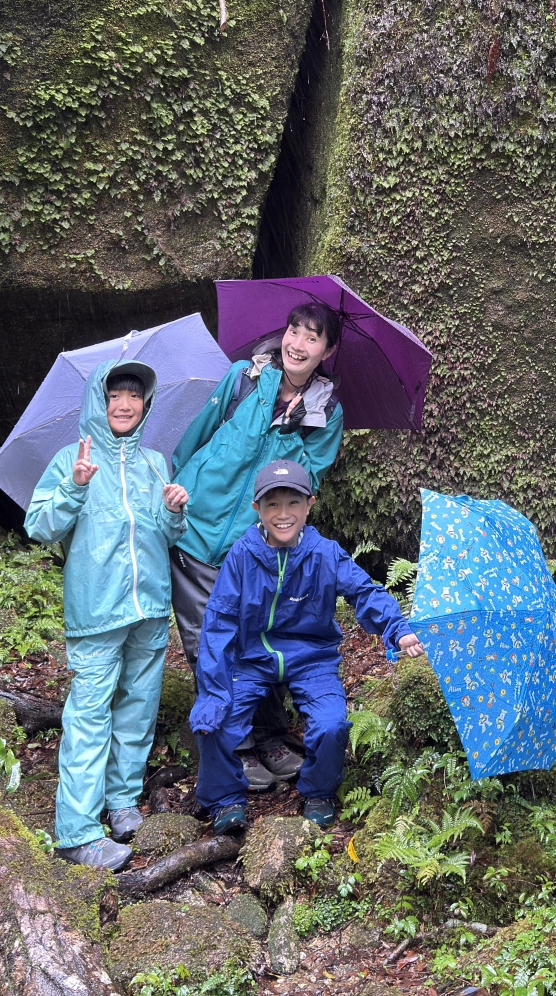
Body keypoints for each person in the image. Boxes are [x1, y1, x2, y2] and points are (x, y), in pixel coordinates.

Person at [165, 300, 344, 789]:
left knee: (258, 636)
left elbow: (307, 480)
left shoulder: (326, 411)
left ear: (326, 349)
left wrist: (290, 423)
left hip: (255, 545)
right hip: (199, 532)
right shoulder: (245, 377)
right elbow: (197, 436)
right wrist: (179, 493)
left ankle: (268, 735)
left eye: (313, 336)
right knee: (209, 641)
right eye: (294, 330)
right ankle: (233, 747)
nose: (298, 343)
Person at [190, 458, 422, 830]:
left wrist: (397, 628)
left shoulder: (324, 553)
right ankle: (224, 800)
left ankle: (319, 791)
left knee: (331, 725)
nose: (283, 514)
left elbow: (364, 590)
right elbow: (218, 625)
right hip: (251, 659)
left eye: (293, 503)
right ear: (257, 509)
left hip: (311, 658)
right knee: (213, 721)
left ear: (310, 504)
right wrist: (213, 693)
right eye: (272, 504)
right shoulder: (242, 556)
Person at [25, 360, 188, 872]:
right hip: (96, 609)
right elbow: (39, 526)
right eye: (115, 394)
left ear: (146, 404)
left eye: (134, 396)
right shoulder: (72, 458)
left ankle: (122, 803)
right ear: (99, 400)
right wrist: (74, 485)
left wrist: (175, 510)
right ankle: (76, 831)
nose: (124, 404)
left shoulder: (156, 463)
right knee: (89, 717)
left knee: (138, 711)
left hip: (150, 608)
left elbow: (168, 536)